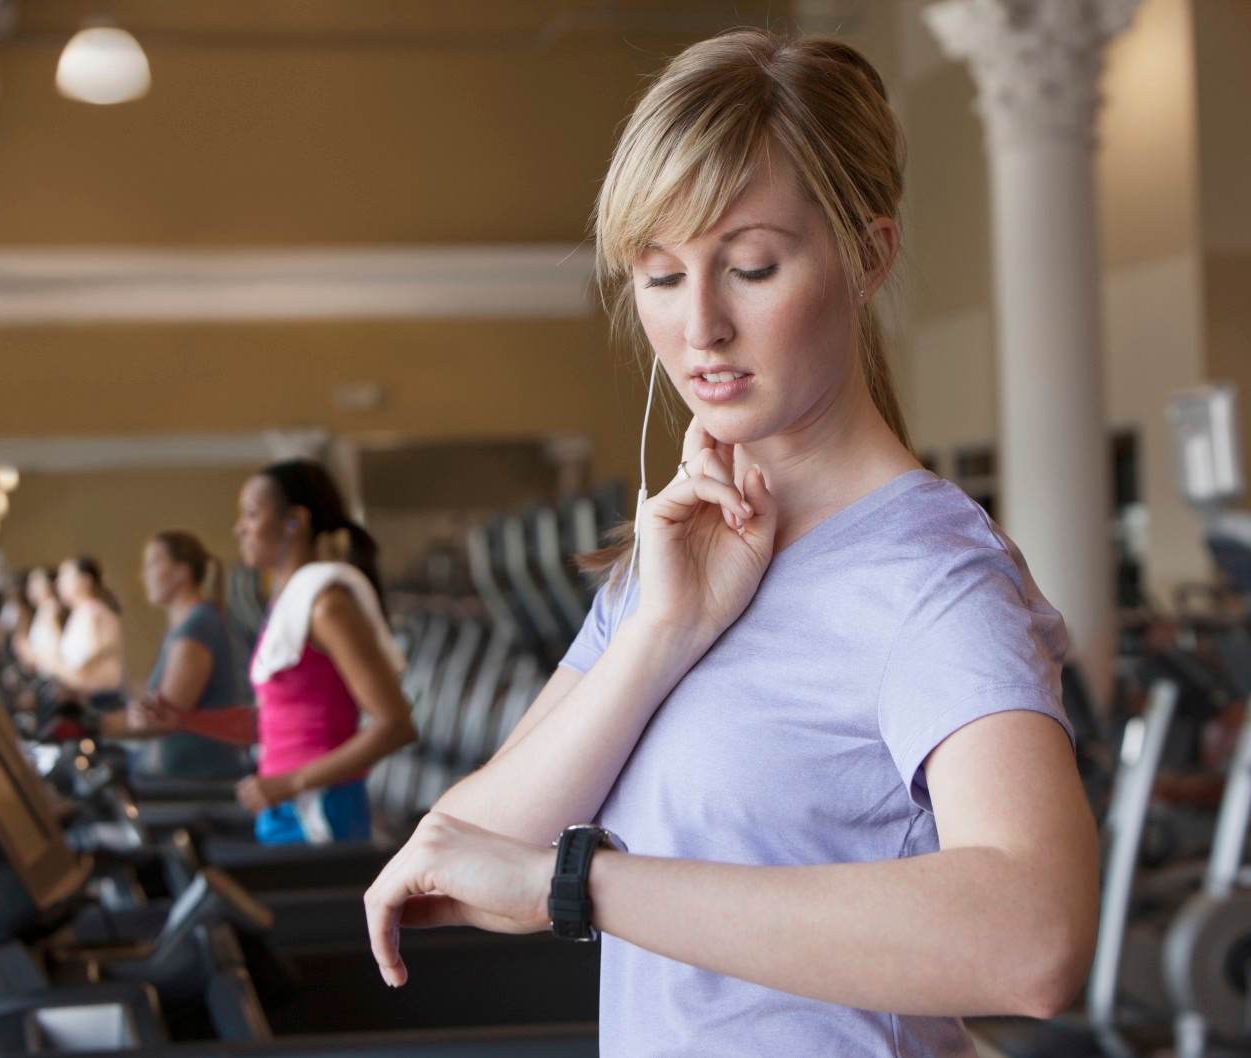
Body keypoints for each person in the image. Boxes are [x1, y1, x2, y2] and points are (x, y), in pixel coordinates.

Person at [362, 28, 1100, 1057]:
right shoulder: (672, 557)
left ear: (867, 254)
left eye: (749, 265)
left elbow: (1035, 937)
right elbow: (466, 861)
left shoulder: (929, 574)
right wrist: (662, 630)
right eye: (659, 276)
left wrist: (584, 883)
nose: (698, 324)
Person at [136, 460, 417, 844]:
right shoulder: (288, 605)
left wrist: (289, 783)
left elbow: (395, 725)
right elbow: (270, 723)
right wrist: (184, 719)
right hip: (285, 803)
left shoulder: (325, 606)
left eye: (251, 514)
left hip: (319, 807)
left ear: (294, 522)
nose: (239, 528)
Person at [105, 531, 249, 780]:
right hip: (177, 775)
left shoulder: (198, 625)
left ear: (182, 572)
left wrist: (96, 725)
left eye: (152, 564)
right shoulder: (182, 627)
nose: (143, 575)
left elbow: (165, 718)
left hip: (197, 780)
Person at [49, 556, 123, 710]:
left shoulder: (94, 612)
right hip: (89, 697)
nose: (58, 583)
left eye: (65, 576)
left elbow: (85, 665)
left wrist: (53, 664)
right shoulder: (80, 612)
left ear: (84, 581)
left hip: (99, 699)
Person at [15, 567, 65, 675]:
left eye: (36, 581)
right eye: (30, 582)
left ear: (50, 584)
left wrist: (31, 653)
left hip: (56, 675)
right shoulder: (42, 610)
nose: (31, 586)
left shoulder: (54, 610)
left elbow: (59, 652)